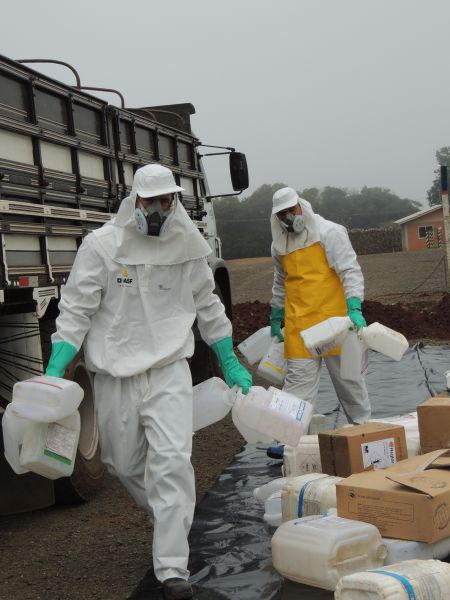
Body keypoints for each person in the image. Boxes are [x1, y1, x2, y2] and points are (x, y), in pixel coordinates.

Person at [45, 164, 252, 600]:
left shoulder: (187, 247)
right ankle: (169, 516)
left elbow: (208, 306)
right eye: (149, 201)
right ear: (133, 201)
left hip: (168, 370)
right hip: (114, 375)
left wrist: (228, 359)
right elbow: (77, 308)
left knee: (173, 460)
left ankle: (172, 569)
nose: (157, 210)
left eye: (165, 201)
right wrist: (58, 361)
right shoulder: (102, 246)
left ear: (174, 200)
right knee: (123, 463)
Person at [269, 186, 370, 426]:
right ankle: (287, 442)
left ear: (301, 205)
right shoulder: (279, 245)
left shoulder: (329, 232)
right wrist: (276, 313)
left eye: (291, 210)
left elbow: (349, 270)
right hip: (300, 326)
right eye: (282, 214)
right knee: (296, 389)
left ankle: (362, 431)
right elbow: (280, 282)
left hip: (335, 324)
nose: (288, 217)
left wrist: (354, 306)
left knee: (350, 383)